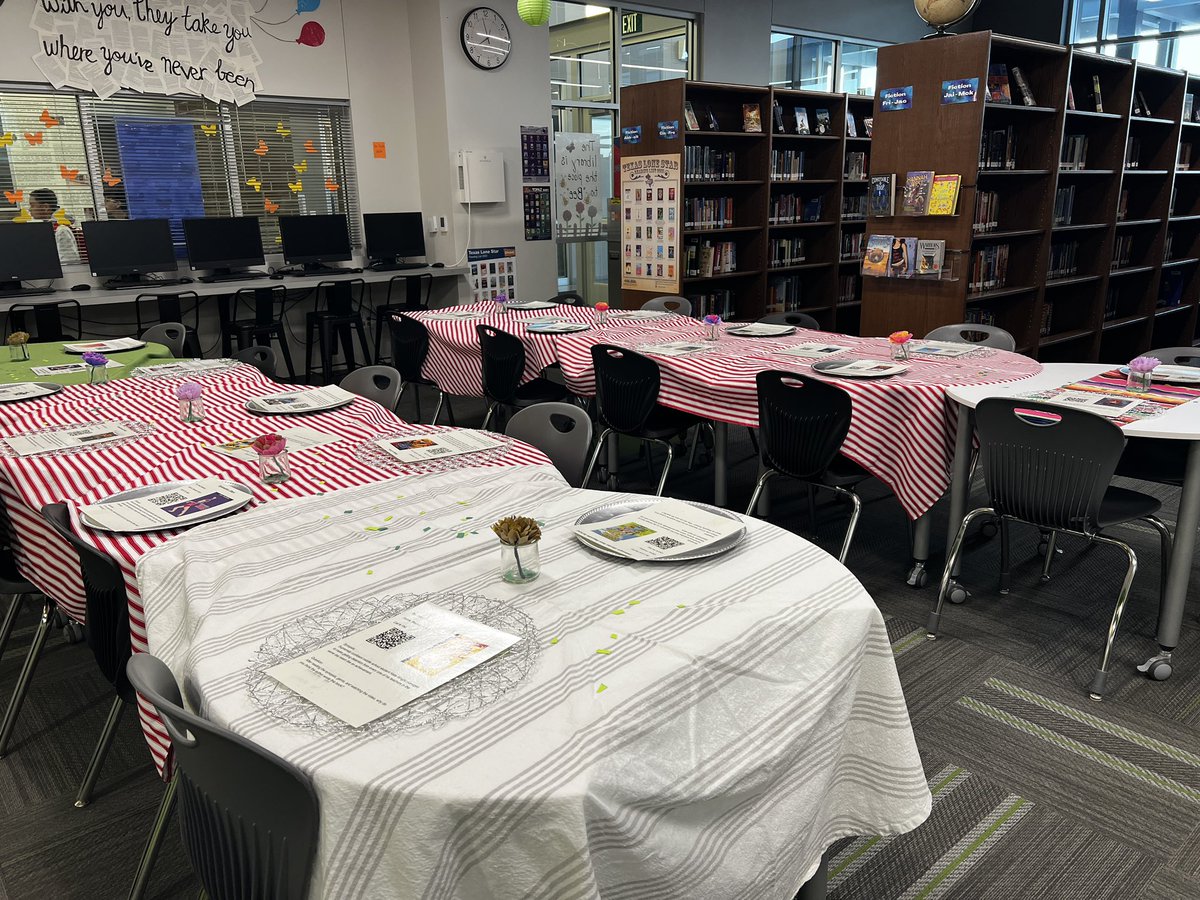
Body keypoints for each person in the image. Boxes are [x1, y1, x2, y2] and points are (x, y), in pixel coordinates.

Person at [28, 188, 80, 265]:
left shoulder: (61, 230)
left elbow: (69, 262)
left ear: (45, 207)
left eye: (32, 205)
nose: (29, 209)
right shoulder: (49, 227)